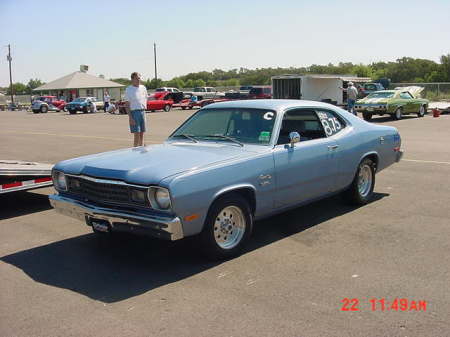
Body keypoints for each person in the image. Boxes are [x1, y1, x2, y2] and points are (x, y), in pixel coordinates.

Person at [124, 72, 148, 147]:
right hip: (134, 113)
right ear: (132, 79)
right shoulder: (129, 89)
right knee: (136, 134)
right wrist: (130, 117)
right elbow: (127, 105)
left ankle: (141, 149)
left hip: (142, 111)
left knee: (142, 133)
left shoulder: (143, 88)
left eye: (139, 78)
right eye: (137, 78)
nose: (138, 80)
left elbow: (146, 98)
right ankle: (135, 150)